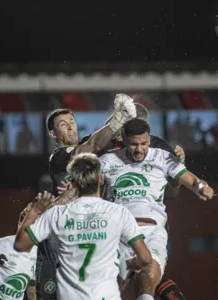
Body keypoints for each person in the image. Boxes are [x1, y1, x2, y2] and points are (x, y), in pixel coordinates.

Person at [34, 94, 137, 300]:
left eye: (72, 122)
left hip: (94, 226)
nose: (71, 127)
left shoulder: (86, 145)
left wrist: (118, 117)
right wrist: (119, 117)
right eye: (63, 125)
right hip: (68, 231)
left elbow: (100, 141)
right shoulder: (59, 156)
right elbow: (90, 147)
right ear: (52, 133)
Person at [99, 118, 215, 299]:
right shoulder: (107, 160)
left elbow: (190, 180)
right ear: (124, 139)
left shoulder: (162, 156)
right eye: (134, 144)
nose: (139, 149)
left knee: (150, 273)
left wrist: (201, 187)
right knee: (112, 287)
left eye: (144, 143)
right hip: (118, 232)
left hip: (152, 231)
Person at [14, 153, 152, 300]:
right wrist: (130, 264)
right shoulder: (119, 212)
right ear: (100, 179)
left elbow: (20, 245)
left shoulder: (56, 214)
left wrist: (34, 211)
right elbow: (145, 258)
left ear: (73, 182)